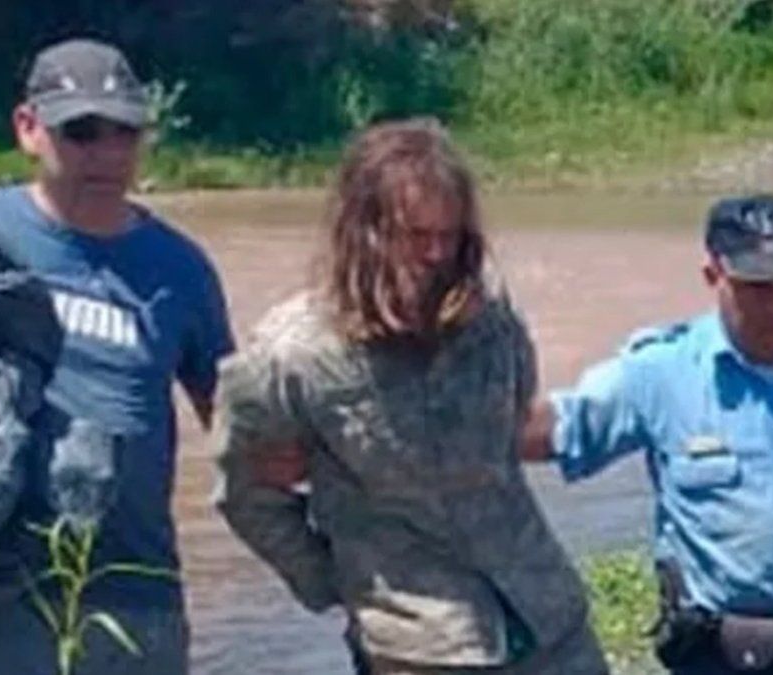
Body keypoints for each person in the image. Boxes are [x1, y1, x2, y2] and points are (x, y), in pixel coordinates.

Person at [213, 118, 608, 674]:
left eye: (451, 237)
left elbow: (514, 431)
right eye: (417, 237)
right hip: (420, 648)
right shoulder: (287, 358)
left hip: (549, 622)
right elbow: (247, 497)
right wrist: (338, 582)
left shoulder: (493, 325)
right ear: (363, 231)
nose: (436, 256)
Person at [0, 37, 235, 674]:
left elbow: (234, 421)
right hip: (7, 591)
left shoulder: (179, 269)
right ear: (28, 129)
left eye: (124, 132)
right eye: (82, 132)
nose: (107, 153)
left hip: (141, 589)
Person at [518, 194, 773, 674]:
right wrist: (425, 433)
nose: (772, 303)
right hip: (718, 657)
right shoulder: (660, 372)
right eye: (753, 285)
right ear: (713, 276)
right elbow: (558, 430)